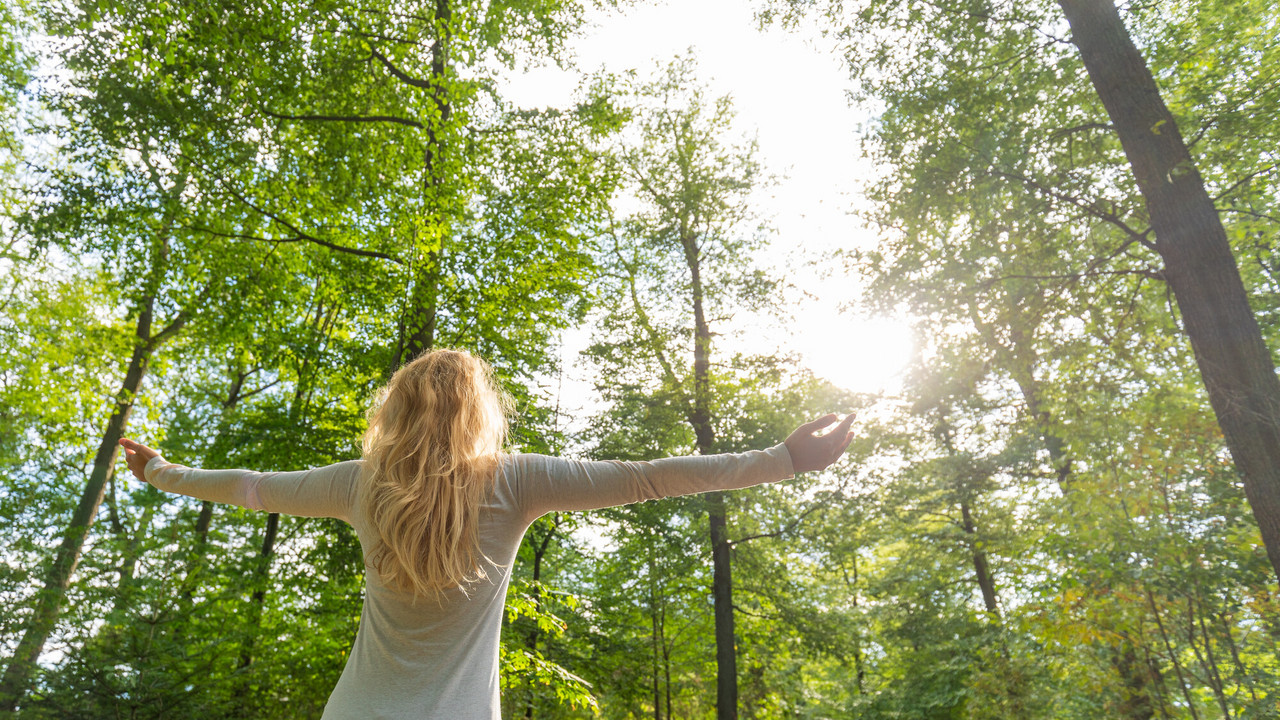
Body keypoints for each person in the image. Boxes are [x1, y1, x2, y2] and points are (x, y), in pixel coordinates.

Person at [119, 348, 855, 719]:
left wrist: (161, 473)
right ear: (479, 412)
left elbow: (250, 489)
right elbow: (647, 477)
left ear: (397, 411)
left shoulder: (359, 482)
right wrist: (783, 460)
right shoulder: (514, 478)